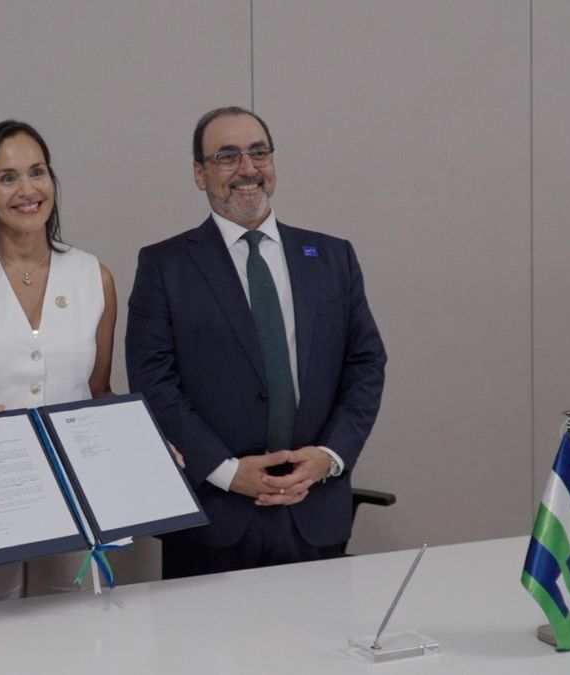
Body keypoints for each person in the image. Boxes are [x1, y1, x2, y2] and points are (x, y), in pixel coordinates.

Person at [125, 106, 386, 579]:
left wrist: (329, 458)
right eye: (226, 156)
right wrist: (225, 471)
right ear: (199, 174)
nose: (247, 168)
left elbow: (366, 363)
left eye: (258, 152)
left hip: (313, 509)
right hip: (211, 520)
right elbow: (152, 380)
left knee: (317, 651)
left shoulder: (331, 257)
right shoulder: (165, 267)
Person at [0, 120, 149, 604]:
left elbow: (98, 392)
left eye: (37, 172)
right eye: (7, 177)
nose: (28, 189)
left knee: (66, 638)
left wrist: (143, 440)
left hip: (74, 494)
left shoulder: (93, 277)